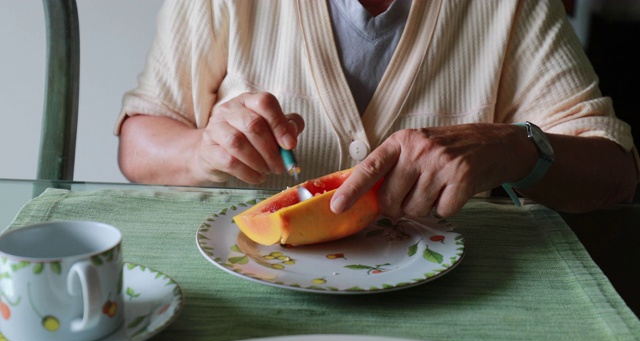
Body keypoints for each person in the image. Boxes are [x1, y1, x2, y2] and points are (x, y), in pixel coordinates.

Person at [116, 0, 639, 219]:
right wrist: (201, 151)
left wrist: (517, 149)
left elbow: (616, 173)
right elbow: (138, 143)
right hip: (251, 290)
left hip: (452, 304)